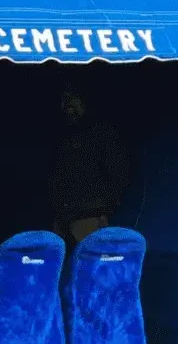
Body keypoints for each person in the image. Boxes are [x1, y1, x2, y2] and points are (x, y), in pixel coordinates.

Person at [48, 89, 132, 243]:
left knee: (91, 262)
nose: (67, 103)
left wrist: (104, 212)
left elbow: (118, 172)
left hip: (90, 217)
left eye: (72, 96)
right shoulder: (62, 137)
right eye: (63, 98)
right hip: (63, 218)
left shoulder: (102, 132)